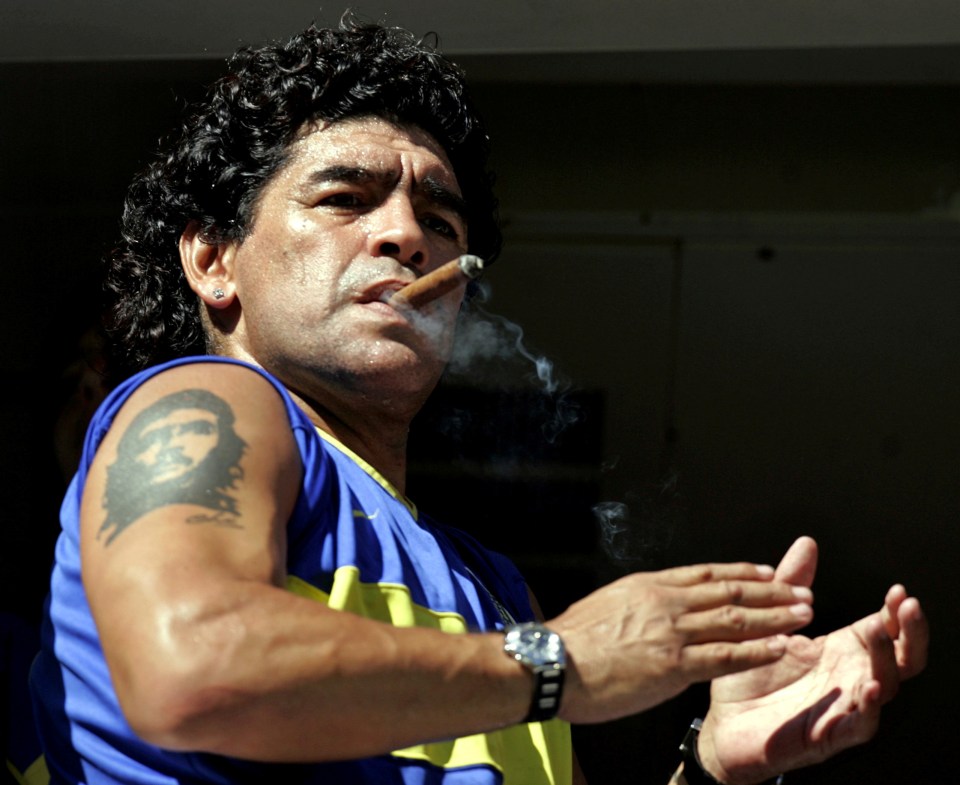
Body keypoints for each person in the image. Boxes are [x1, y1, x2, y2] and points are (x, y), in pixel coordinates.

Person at [28, 14, 928, 785]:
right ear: (212, 260)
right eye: (345, 197)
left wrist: (718, 764)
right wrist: (561, 662)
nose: (407, 236)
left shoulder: (494, 593)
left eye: (441, 221)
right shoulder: (209, 405)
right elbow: (189, 665)